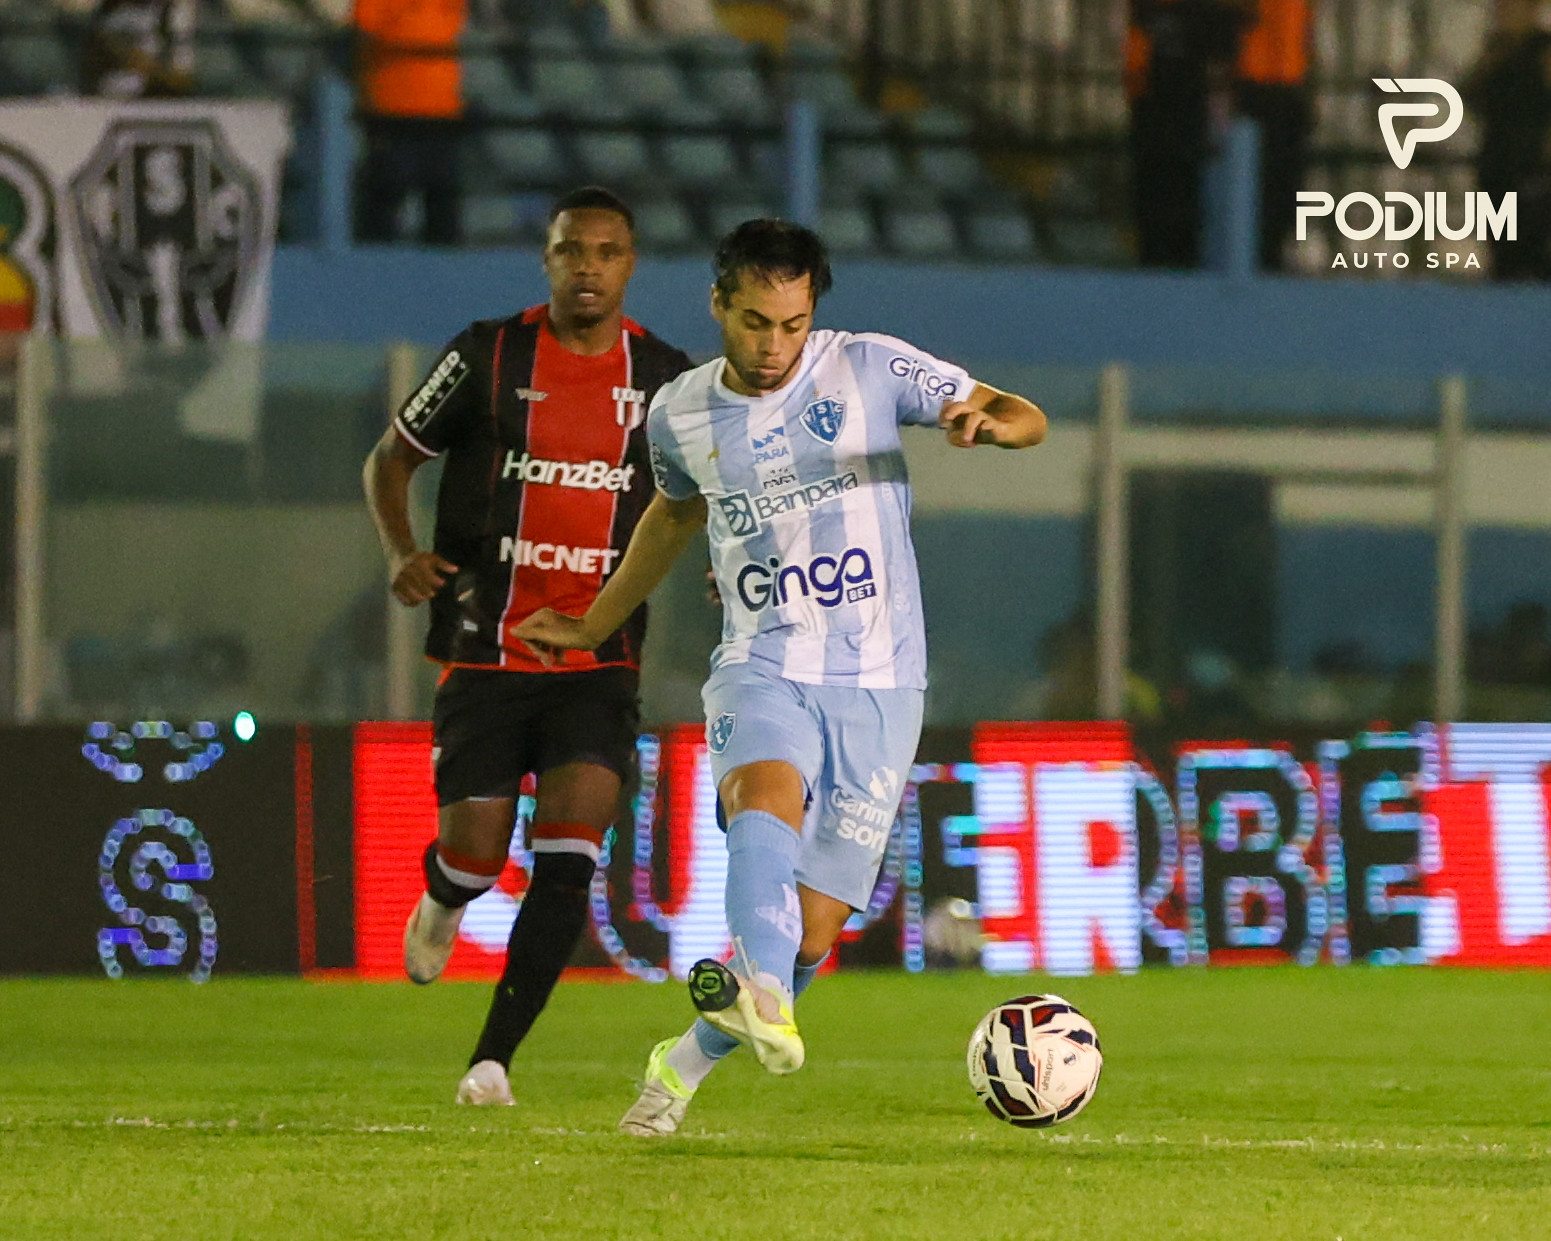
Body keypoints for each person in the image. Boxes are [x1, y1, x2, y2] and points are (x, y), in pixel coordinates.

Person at [515, 219, 1047, 1135]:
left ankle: (684, 1059)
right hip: (762, 659)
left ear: (813, 314)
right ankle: (762, 987)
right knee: (763, 797)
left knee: (813, 930)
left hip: (881, 679)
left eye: (792, 324)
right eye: (755, 322)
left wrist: (992, 424)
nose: (774, 345)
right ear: (719, 305)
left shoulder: (867, 367)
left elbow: (1019, 413)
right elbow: (671, 518)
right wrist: (595, 622)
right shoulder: (679, 412)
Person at [361, 186, 693, 1105]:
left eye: (606, 252)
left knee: (570, 854)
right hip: (486, 646)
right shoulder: (486, 354)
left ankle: (492, 1059)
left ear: (629, 266)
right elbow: (390, 458)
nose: (588, 267)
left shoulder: (666, 379)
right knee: (475, 853)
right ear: (546, 260)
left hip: (597, 659)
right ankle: (445, 894)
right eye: (571, 250)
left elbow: (715, 486)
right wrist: (400, 552)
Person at [1125, 0, 1251, 267]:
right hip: (1161, 129)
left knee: (1183, 212)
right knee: (1162, 211)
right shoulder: (1154, 17)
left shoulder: (1209, 19)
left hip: (1182, 131)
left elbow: (1220, 78)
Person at [353, 0, 468, 246]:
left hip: (442, 111)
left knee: (442, 206)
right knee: (384, 203)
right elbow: (364, 26)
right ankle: (373, 265)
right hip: (392, 111)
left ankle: (443, 265)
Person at [1466, 0, 1551, 281]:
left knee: (1531, 250)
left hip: (1531, 167)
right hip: (1497, 165)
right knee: (1502, 250)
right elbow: (1472, 94)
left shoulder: (1542, 51)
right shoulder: (1497, 50)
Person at [1233, 0, 1313, 272]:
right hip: (1258, 82)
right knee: (1262, 179)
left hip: (1283, 82)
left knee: (1281, 180)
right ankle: (1264, 252)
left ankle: (1275, 250)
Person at [82, 0, 196, 99]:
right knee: (131, 83)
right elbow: (134, 61)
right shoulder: (113, 19)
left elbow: (181, 74)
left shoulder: (162, 12)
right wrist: (165, 76)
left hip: (155, 80)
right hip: (116, 84)